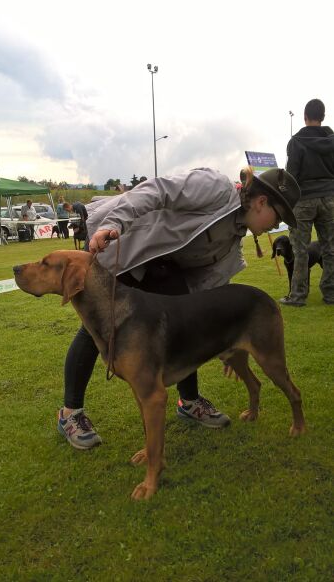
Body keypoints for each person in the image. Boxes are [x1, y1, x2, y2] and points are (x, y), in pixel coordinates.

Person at [57, 167, 300, 450]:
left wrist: (225, 340)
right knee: (95, 330)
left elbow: (199, 302)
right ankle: (70, 414)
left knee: (181, 325)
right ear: (261, 202)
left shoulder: (232, 251)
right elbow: (156, 191)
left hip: (163, 268)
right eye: (279, 217)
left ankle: (189, 401)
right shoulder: (215, 187)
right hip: (124, 245)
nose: (277, 225)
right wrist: (115, 223)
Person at [281, 98, 334, 306]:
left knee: (299, 250)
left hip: (303, 200)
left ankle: (298, 296)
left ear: (304, 117)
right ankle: (331, 294)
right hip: (330, 198)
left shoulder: (296, 142)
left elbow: (290, 177)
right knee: (330, 249)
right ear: (323, 117)